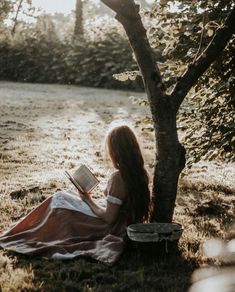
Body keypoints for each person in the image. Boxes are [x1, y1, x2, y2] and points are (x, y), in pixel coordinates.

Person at [0, 125, 150, 264]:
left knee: (58, 200)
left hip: (109, 226)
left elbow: (109, 218)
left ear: (116, 151)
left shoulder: (119, 177)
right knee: (62, 197)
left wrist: (88, 199)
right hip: (119, 221)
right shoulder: (140, 172)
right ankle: (27, 228)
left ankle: (27, 232)